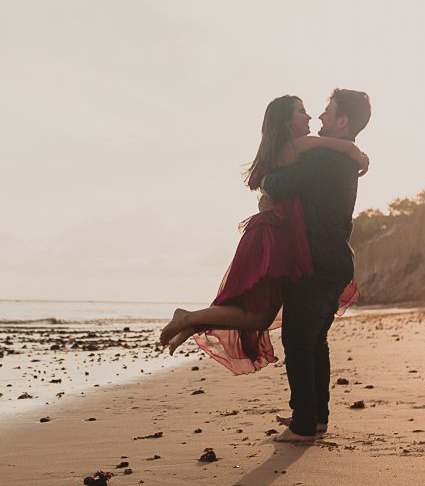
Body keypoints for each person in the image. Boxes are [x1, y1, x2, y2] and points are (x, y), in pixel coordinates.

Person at [157, 95, 366, 377]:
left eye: (314, 111)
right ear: (285, 122)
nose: (311, 117)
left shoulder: (295, 150)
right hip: (272, 238)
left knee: (257, 313)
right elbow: (322, 146)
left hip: (280, 238)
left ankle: (191, 321)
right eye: (301, 112)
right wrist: (355, 152)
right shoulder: (297, 146)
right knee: (256, 313)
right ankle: (189, 319)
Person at [261, 88, 371, 443]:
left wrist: (265, 183)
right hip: (335, 261)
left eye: (328, 111)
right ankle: (315, 416)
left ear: (342, 121)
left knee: (297, 342)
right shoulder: (342, 158)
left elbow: (279, 181)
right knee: (315, 341)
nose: (320, 117)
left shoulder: (325, 159)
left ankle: (304, 423)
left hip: (316, 263)